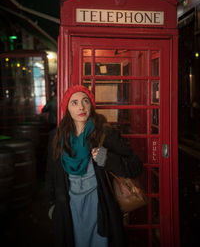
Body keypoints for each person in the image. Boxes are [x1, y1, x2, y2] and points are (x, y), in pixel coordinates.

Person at [45, 84, 143, 247]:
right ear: (66, 108)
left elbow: (136, 166)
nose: (81, 107)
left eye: (85, 101)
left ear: (91, 104)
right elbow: (50, 175)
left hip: (100, 209)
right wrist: (52, 207)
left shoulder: (105, 134)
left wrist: (108, 159)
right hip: (69, 211)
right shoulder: (56, 138)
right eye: (74, 103)